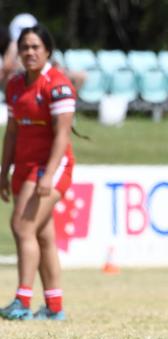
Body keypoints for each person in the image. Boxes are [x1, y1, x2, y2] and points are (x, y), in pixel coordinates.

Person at [0, 24, 76, 321]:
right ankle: (54, 307)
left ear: (47, 51)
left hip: (51, 168)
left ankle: (22, 300)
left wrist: (48, 175)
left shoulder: (58, 85)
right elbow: (13, 133)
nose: (29, 52)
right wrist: (4, 170)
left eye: (35, 47)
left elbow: (61, 135)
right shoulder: (15, 85)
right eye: (24, 47)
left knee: (21, 227)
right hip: (24, 167)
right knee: (42, 235)